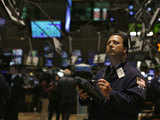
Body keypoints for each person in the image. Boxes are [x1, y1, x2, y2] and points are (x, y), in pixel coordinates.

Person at [78, 32, 146, 120]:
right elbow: (95, 100)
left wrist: (111, 93)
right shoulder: (101, 73)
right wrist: (84, 98)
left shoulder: (134, 75)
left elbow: (137, 104)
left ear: (125, 49)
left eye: (116, 43)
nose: (110, 45)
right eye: (108, 43)